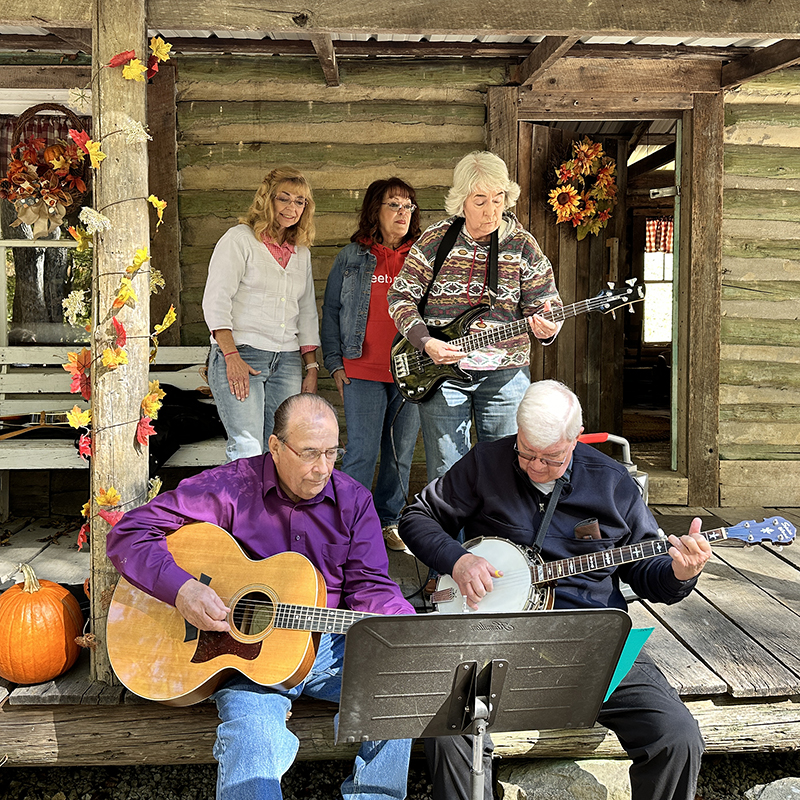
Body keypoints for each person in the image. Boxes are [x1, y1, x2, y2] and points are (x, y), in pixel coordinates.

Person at [399, 380, 711, 800]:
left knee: (677, 735)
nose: (535, 467)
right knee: (451, 735)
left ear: (575, 439)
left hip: (591, 639)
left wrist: (679, 572)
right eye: (526, 453)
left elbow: (647, 572)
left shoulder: (613, 483)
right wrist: (459, 559)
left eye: (551, 458)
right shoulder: (486, 463)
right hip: (495, 639)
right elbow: (417, 517)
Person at [106, 393, 414, 800]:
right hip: (247, 656)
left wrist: (405, 624)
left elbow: (370, 585)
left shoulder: (354, 500)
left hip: (329, 648)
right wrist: (183, 589)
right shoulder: (231, 487)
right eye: (308, 454)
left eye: (331, 454)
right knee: (252, 739)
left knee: (405, 688)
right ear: (275, 447)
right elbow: (128, 532)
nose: (322, 468)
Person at [387, 151, 562, 482]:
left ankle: (495, 537)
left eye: (498, 199)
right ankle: (451, 537)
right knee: (447, 474)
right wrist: (425, 343)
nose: (492, 210)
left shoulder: (522, 245)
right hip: (440, 373)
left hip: (505, 377)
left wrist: (547, 327)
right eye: (480, 200)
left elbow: (546, 303)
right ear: (461, 202)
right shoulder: (436, 240)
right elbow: (400, 296)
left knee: (505, 472)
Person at [321, 178, 422, 552]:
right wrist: (334, 363)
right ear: (375, 212)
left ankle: (388, 521)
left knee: (400, 452)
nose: (402, 213)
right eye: (394, 205)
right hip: (361, 369)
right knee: (362, 452)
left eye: (408, 206)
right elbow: (331, 310)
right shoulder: (352, 256)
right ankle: (349, 524)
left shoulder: (422, 257)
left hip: (411, 372)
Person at [203, 167, 321, 462]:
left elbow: (305, 310)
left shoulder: (301, 253)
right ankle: (245, 509)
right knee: (247, 447)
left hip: (288, 362)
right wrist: (231, 356)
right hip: (243, 354)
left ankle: (272, 510)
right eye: (284, 199)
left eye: (299, 202)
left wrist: (311, 367)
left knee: (280, 449)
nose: (291, 208)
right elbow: (216, 301)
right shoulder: (240, 240)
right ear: (267, 200)